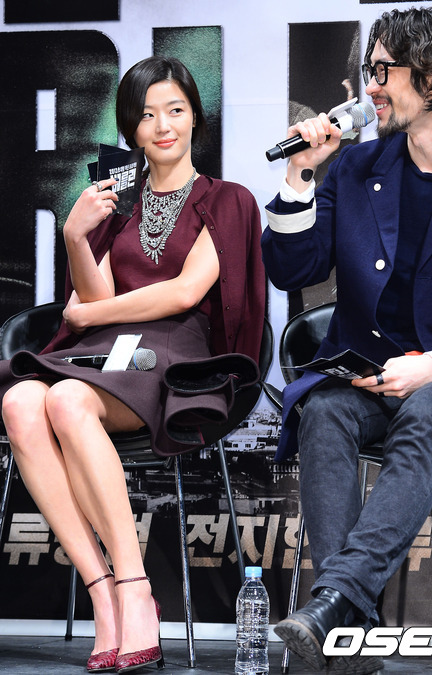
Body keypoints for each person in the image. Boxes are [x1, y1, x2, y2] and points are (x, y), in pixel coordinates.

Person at [0, 56, 264, 673]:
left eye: (175, 110)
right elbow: (92, 296)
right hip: (103, 353)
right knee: (19, 401)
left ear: (196, 117)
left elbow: (184, 292)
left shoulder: (227, 199)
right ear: (131, 128)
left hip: (174, 353)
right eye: (146, 115)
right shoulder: (115, 202)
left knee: (65, 398)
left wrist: (90, 314)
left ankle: (136, 587)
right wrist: (75, 237)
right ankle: (103, 593)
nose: (162, 126)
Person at [262, 7, 432, 674]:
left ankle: (336, 601)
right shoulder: (356, 166)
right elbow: (292, 269)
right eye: (369, 70)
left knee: (425, 414)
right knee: (324, 410)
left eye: (382, 71)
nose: (369, 87)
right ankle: (346, 629)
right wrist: (300, 174)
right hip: (365, 370)